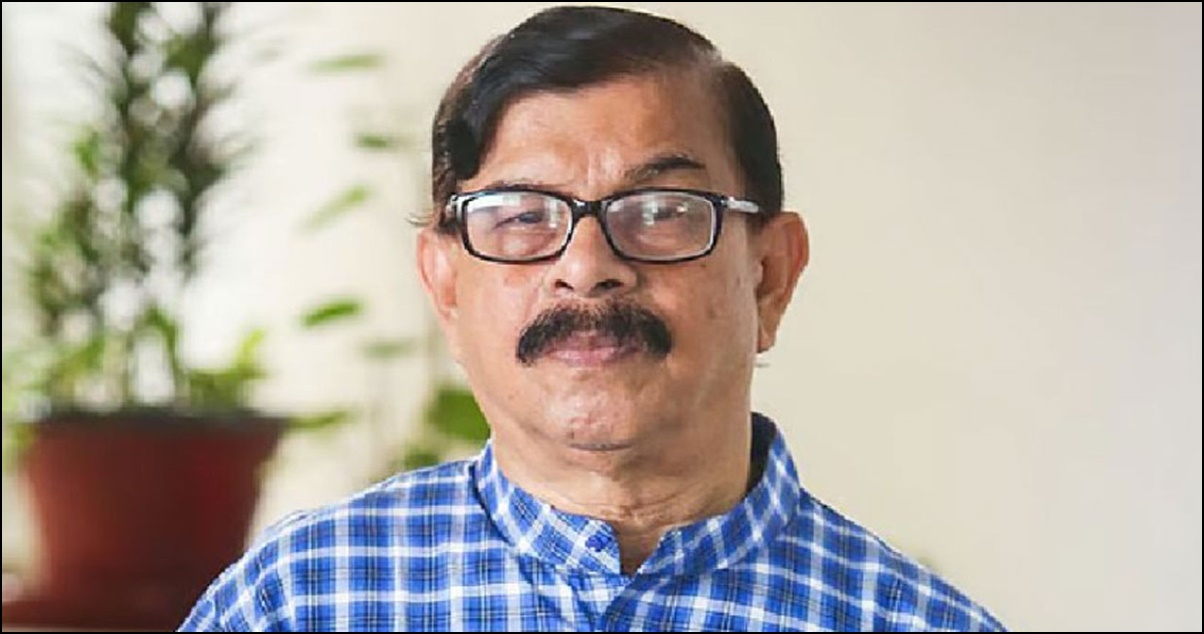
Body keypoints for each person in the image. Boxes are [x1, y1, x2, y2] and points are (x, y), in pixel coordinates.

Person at [180, 6, 1005, 631]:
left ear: (770, 276)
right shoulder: (298, 602)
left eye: (661, 210)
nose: (586, 266)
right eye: (521, 215)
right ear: (446, 287)